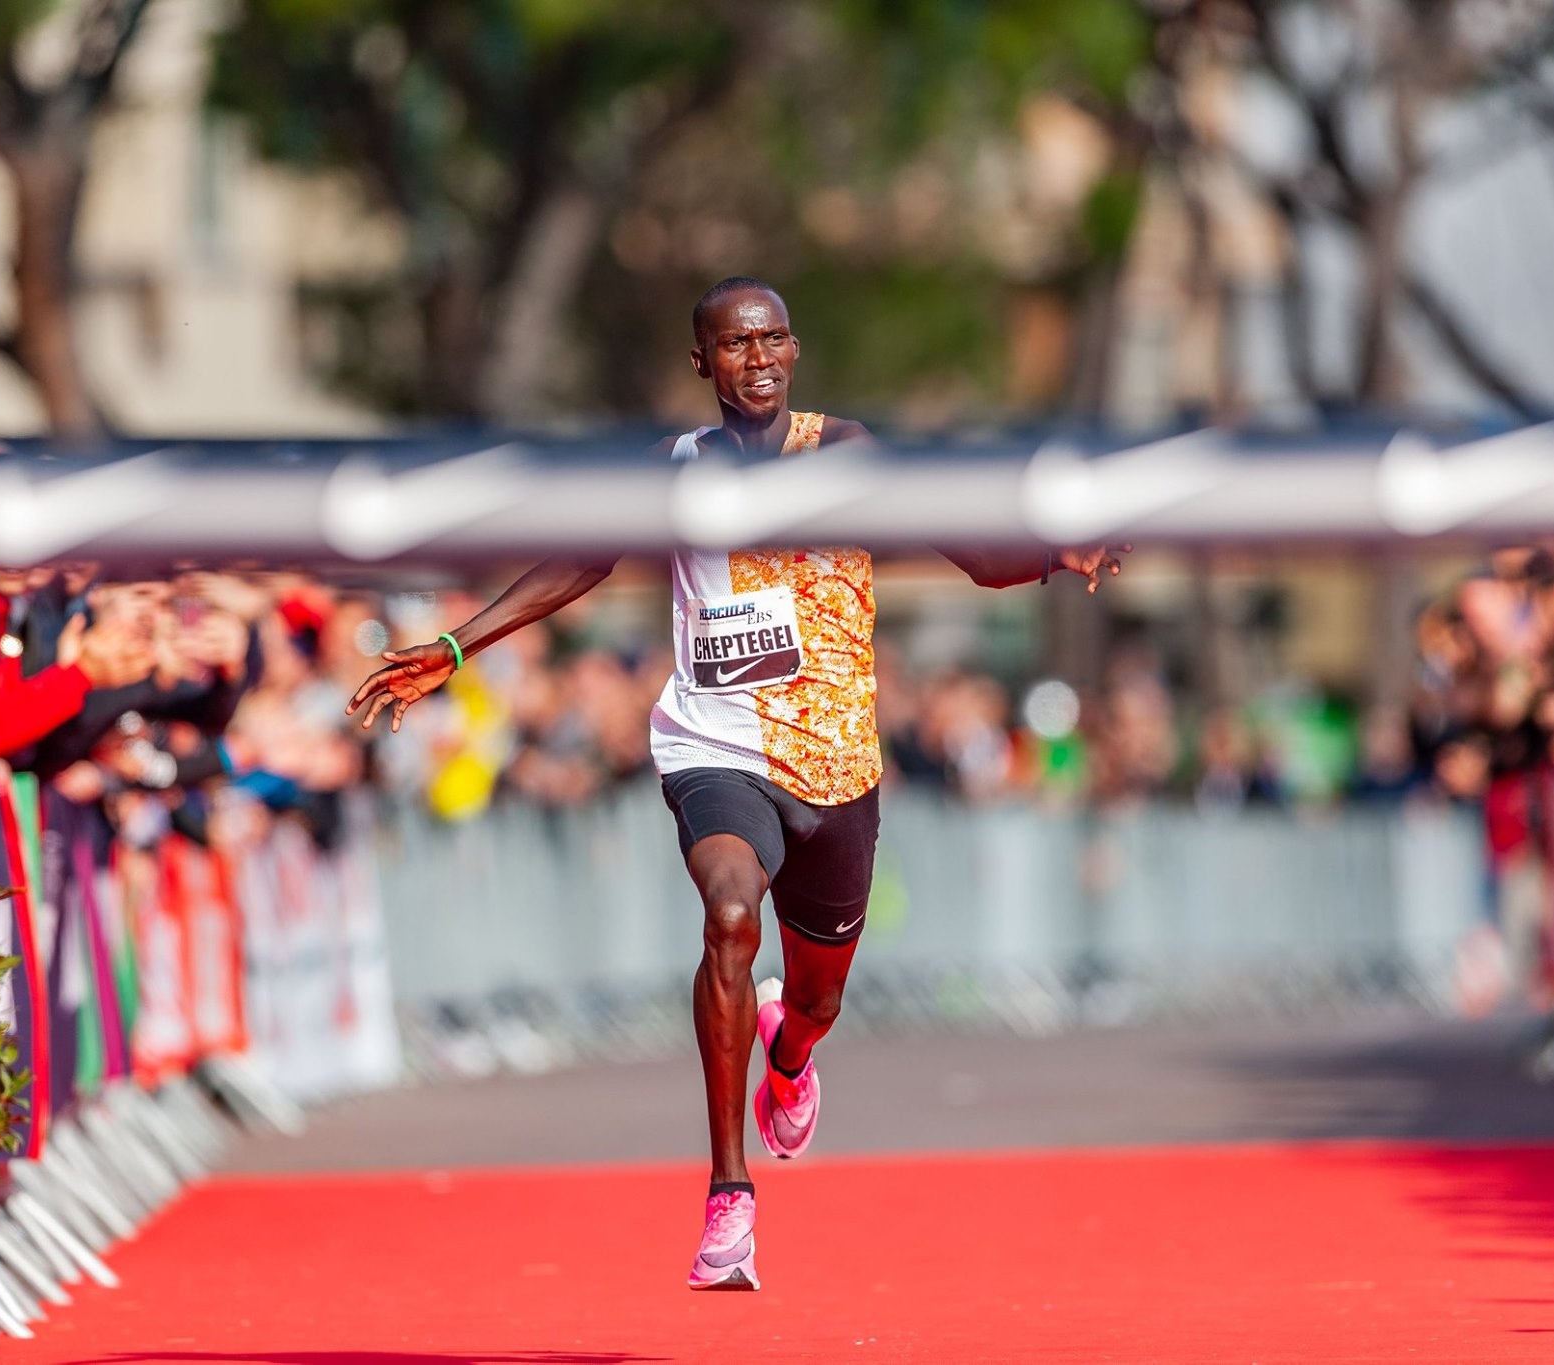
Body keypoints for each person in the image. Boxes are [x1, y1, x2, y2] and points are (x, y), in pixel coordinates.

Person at [347, 276, 1122, 1291]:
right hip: (713, 747)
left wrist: (1048, 556)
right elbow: (580, 562)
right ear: (700, 363)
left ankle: (788, 1058)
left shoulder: (844, 455)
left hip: (837, 764)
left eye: (770, 341)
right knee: (725, 913)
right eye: (733, 344)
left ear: (792, 352)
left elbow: (969, 554)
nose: (755, 359)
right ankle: (727, 1194)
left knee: (814, 999)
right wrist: (456, 644)